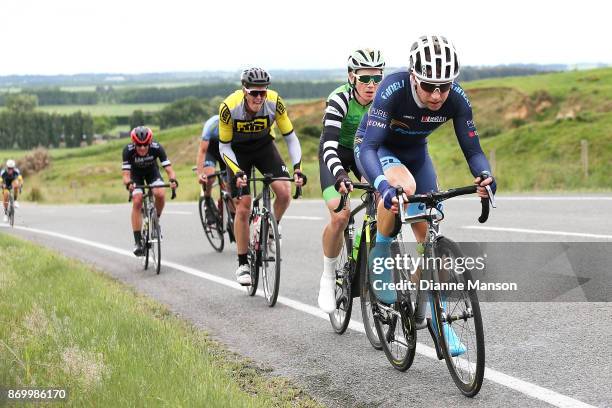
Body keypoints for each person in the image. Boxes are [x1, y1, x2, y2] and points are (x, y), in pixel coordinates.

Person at [354, 35, 496, 355]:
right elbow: (370, 147)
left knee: (432, 242)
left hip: (417, 154)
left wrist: (485, 176)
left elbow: (473, 150)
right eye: (429, 86)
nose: (436, 95)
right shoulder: (392, 89)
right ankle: (380, 253)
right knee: (404, 187)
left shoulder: (456, 99)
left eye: (443, 87)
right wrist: (382, 185)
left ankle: (435, 318)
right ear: (414, 77)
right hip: (377, 149)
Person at [218, 67, 306, 285]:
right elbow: (224, 147)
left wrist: (297, 167)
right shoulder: (229, 107)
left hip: (264, 147)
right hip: (237, 152)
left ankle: (268, 230)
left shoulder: (275, 102)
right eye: (254, 93)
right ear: (244, 90)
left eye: (262, 92)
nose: (259, 97)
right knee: (243, 205)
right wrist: (237, 171)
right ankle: (242, 264)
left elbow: (291, 138)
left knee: (284, 193)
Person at [317, 49, 386, 313]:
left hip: (362, 152)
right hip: (334, 153)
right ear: (351, 77)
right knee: (340, 215)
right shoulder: (339, 99)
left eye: (377, 78)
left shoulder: (383, 98)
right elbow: (329, 146)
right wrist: (339, 174)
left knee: (384, 197)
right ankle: (327, 275)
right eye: (365, 78)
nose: (371, 85)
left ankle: (377, 262)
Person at [122, 126, 178, 256]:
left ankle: (155, 220)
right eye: (139, 145)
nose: (142, 148)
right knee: (137, 201)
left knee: (160, 193)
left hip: (152, 173)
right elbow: (125, 174)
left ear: (150, 142)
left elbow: (169, 169)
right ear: (134, 143)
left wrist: (173, 180)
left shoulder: (156, 147)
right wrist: (129, 183)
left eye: (145, 145)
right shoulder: (128, 151)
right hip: (136, 176)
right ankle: (137, 242)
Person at [195, 115, 232, 225]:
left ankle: (223, 203)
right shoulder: (211, 125)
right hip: (211, 151)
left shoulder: (235, 123)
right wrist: (200, 173)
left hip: (225, 152)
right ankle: (207, 201)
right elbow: (202, 151)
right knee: (210, 177)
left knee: (229, 185)